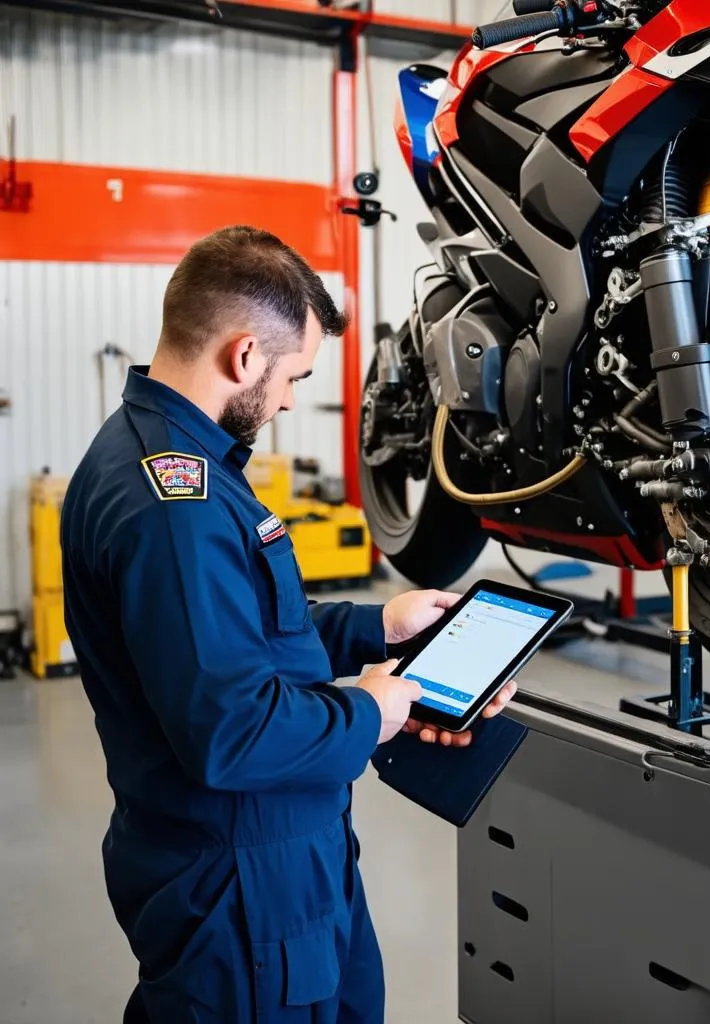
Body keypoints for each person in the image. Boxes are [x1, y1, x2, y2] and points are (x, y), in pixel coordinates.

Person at [60, 225, 515, 1024]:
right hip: (244, 887)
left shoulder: (168, 459)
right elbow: (232, 730)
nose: (288, 400)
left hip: (276, 856)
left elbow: (240, 633)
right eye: (292, 376)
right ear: (243, 356)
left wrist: (382, 625)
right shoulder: (178, 507)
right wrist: (375, 709)